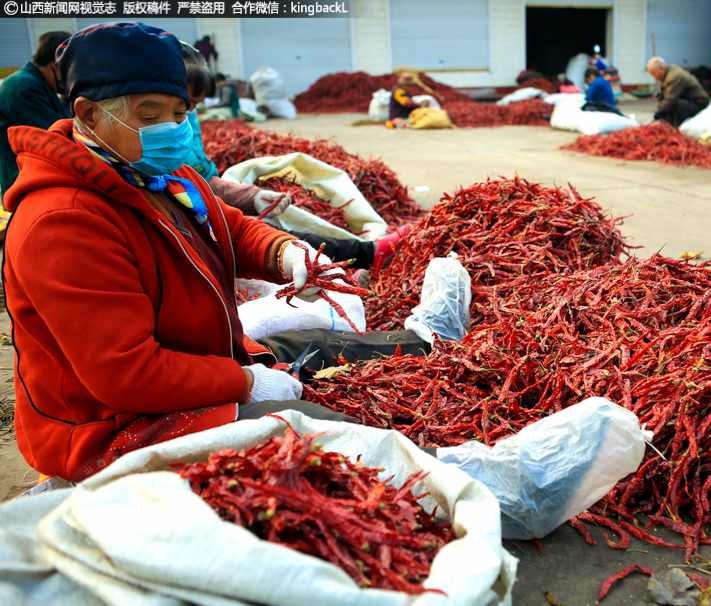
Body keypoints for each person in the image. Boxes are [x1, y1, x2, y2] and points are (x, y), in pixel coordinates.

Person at [3, 22, 439, 482]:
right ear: (89, 115)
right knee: (342, 442)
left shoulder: (163, 177)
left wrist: (288, 253)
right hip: (118, 427)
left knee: (357, 351)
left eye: (179, 112)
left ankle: (434, 350)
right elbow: (128, 375)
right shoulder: (63, 221)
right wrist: (247, 383)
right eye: (150, 116)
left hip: (205, 360)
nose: (171, 129)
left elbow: (231, 229)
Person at [178, 44, 408, 275]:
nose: (189, 113)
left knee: (264, 236)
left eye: (194, 106)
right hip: (191, 229)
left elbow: (204, 181)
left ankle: (350, 263)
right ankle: (357, 262)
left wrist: (251, 196)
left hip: (206, 213)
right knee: (262, 240)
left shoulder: (188, 126)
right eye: (184, 106)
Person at [0, 31, 72, 201]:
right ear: (55, 65)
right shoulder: (23, 87)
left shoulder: (39, 84)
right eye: (69, 70)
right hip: (25, 181)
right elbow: (56, 136)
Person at [647, 56, 710, 127]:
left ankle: (680, 128)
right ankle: (671, 126)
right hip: (689, 101)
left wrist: (656, 115)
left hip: (700, 106)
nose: (654, 77)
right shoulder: (669, 72)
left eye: (653, 74)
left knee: (676, 104)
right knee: (664, 102)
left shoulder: (674, 77)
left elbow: (671, 100)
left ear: (661, 68)